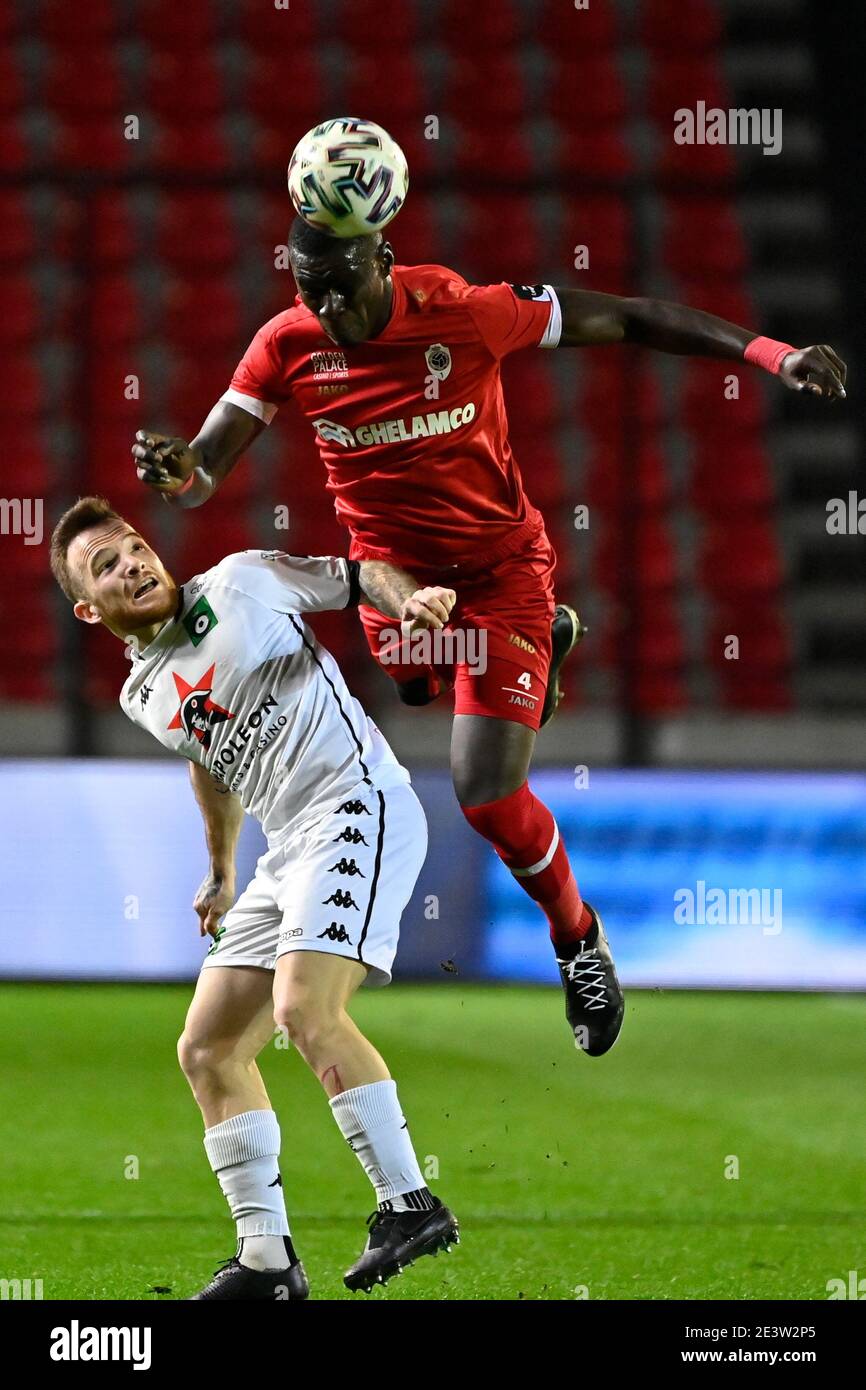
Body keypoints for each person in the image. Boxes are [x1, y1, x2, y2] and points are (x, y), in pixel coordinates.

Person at [131, 213, 847, 1059]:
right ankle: (540, 648)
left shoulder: (463, 311)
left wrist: (773, 355)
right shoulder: (287, 345)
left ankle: (578, 940)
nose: (327, 305)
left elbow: (626, 315)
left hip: (498, 571)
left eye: (342, 283)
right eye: (307, 287)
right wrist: (182, 472)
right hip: (390, 581)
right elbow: (206, 466)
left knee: (486, 794)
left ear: (385, 262)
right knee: (411, 683)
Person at [49, 494, 461, 1299]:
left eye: (134, 547)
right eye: (107, 566)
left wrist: (406, 599)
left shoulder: (241, 582)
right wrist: (222, 870)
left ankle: (409, 1203)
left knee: (305, 1011)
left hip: (355, 803)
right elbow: (207, 757)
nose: (133, 563)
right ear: (88, 609)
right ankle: (267, 1262)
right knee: (206, 1048)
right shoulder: (144, 693)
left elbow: (352, 575)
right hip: (283, 852)